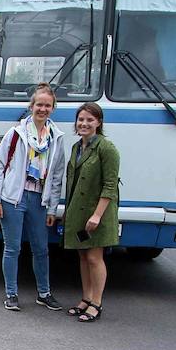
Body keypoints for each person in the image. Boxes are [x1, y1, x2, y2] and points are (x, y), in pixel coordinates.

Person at [0, 83, 67, 312]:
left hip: (39, 200)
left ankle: (44, 293)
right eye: (39, 104)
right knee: (12, 248)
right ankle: (11, 294)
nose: (43, 109)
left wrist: (52, 208)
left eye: (47, 105)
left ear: (53, 108)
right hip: (14, 197)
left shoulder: (56, 137)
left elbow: (56, 176)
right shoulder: (16, 133)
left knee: (41, 249)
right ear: (31, 106)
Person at [62, 102, 120, 323]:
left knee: (95, 257)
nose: (84, 124)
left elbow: (110, 185)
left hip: (98, 214)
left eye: (89, 120)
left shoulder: (107, 148)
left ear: (99, 123)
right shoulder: (78, 147)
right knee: (83, 256)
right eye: (81, 119)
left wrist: (97, 215)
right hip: (78, 212)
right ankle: (85, 298)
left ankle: (96, 302)